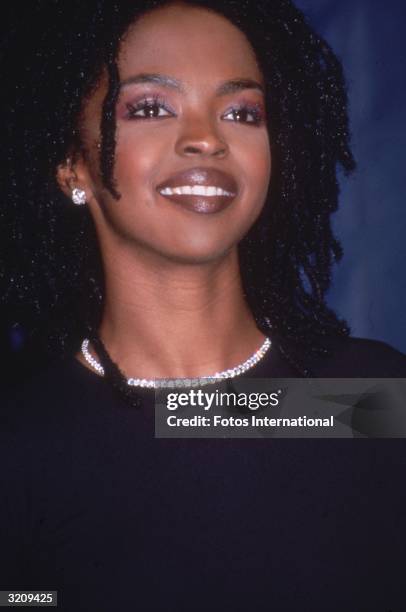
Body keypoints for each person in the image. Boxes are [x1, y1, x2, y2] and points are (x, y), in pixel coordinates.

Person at [0, 1, 405, 610]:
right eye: (151, 108)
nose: (205, 139)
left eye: (241, 112)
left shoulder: (367, 396)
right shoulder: (22, 445)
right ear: (71, 164)